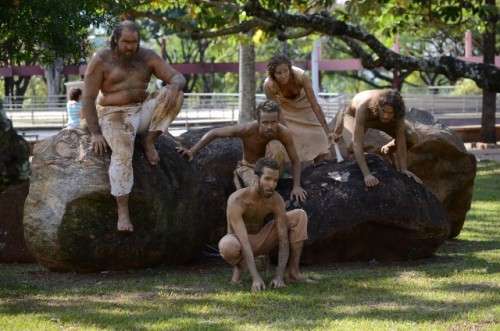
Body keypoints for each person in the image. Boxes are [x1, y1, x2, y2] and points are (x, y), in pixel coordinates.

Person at [82, 20, 186, 232]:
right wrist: (95, 133)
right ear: (115, 40)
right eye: (125, 42)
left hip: (142, 112)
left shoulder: (147, 56)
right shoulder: (101, 59)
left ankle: (149, 139)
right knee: (122, 152)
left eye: (134, 42)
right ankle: (123, 212)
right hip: (113, 115)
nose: (130, 46)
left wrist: (174, 85)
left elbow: (177, 76)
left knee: (175, 95)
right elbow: (87, 97)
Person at [176, 100, 307, 202]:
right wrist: (192, 151)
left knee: (276, 145)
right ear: (259, 121)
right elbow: (215, 133)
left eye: (273, 122)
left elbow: (295, 160)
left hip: (274, 169)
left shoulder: (283, 133)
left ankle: (270, 181)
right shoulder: (247, 129)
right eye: (265, 122)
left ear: (278, 121)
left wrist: (296, 186)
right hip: (250, 168)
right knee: (256, 193)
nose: (269, 127)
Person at [218, 157, 315, 292]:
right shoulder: (237, 200)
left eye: (275, 180)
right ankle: (240, 269)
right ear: (256, 178)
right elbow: (244, 241)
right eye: (267, 179)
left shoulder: (276, 200)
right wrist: (255, 277)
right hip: (239, 242)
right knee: (227, 245)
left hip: (260, 240)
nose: (272, 184)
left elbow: (283, 240)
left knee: (299, 215)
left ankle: (294, 273)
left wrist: (279, 276)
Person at [331, 89, 422, 187]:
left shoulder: (398, 109)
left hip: (377, 118)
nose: (386, 116)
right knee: (351, 147)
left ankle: (388, 149)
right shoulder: (364, 106)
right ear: (378, 106)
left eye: (390, 112)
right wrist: (367, 175)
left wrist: (404, 168)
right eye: (384, 111)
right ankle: (343, 112)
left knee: (412, 138)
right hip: (355, 115)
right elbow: (357, 143)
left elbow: (400, 136)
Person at [263, 53, 332, 164]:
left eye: (285, 71)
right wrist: (286, 132)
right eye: (278, 73)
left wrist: (328, 131)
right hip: (285, 111)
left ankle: (320, 169)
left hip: (305, 106)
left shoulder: (300, 76)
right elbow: (277, 112)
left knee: (320, 136)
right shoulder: (268, 85)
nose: (283, 75)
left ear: (290, 69)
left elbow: (315, 105)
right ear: (273, 74)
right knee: (290, 141)